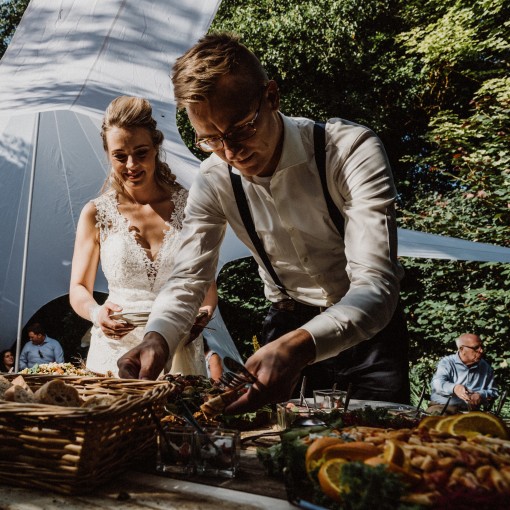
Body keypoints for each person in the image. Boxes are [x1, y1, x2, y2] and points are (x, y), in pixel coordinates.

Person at [117, 33, 410, 412]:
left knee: (380, 454)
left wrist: (302, 344)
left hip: (371, 336)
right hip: (284, 327)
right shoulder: (214, 178)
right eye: (211, 139)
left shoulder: (348, 150)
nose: (230, 151)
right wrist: (158, 336)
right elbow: (189, 276)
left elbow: (376, 285)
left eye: (241, 129)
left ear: (272, 96)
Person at [69, 96, 216, 377]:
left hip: (178, 346)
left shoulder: (190, 206)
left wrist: (203, 314)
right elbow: (78, 288)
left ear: (156, 147)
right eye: (120, 156)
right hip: (114, 349)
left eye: (141, 152)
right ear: (107, 153)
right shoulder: (95, 213)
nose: (131, 165)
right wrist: (96, 314)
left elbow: (207, 288)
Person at [427, 333, 498, 415]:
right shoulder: (447, 362)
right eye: (476, 348)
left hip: (471, 412)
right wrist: (454, 388)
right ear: (461, 349)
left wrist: (480, 395)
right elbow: (437, 383)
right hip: (443, 407)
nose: (481, 350)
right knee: (438, 417)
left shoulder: (485, 367)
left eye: (482, 347)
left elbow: (494, 392)